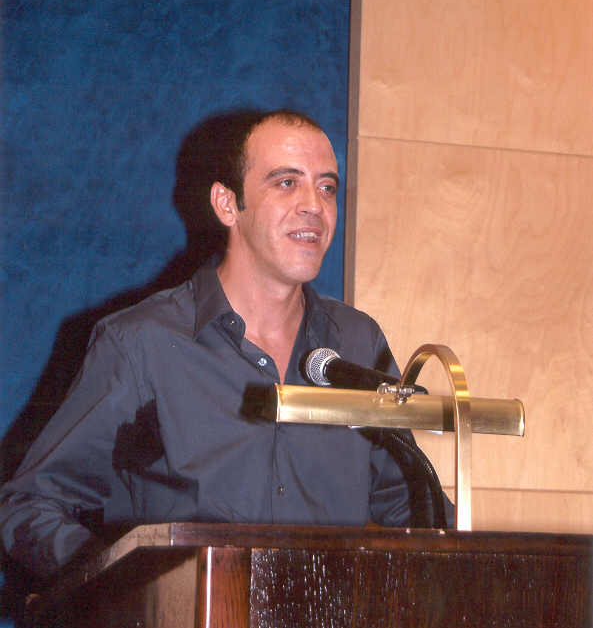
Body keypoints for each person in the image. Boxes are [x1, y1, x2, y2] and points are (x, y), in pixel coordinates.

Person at [0, 110, 449, 578]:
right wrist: (125, 587)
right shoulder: (142, 344)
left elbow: (413, 506)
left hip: (331, 624)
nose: (314, 206)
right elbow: (31, 505)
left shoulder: (357, 342)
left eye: (327, 187)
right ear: (227, 204)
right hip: (180, 625)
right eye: (287, 183)